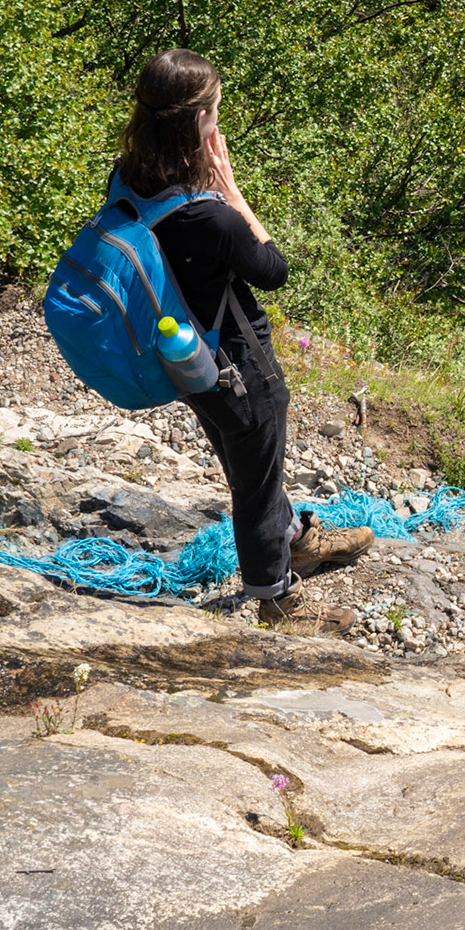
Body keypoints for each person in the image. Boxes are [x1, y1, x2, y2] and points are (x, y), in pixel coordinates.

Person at [118, 49, 372, 632]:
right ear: (200, 120)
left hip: (183, 350)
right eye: (216, 106)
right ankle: (275, 597)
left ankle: (295, 539)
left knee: (248, 462)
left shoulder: (131, 180)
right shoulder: (210, 216)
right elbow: (272, 269)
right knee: (254, 476)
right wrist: (232, 190)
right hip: (236, 359)